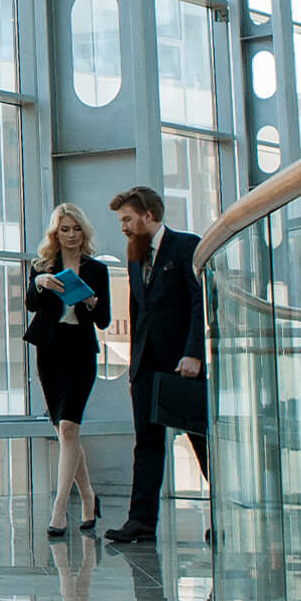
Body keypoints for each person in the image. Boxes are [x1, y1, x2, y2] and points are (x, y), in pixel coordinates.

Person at [104, 186, 209, 546]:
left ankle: (226, 515)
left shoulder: (186, 246)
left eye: (127, 219)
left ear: (148, 215)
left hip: (183, 365)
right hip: (146, 367)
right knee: (146, 444)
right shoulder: (134, 255)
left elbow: (199, 302)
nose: (123, 227)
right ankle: (141, 521)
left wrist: (194, 353)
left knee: (201, 442)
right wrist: (134, 368)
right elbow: (137, 312)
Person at [24, 202, 111, 537]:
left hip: (80, 351)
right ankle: (88, 497)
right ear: (55, 234)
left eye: (76, 229)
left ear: (83, 232)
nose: (72, 235)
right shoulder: (43, 266)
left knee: (70, 427)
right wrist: (39, 283)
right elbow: (31, 304)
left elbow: (103, 320)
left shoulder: (97, 270)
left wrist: (92, 303)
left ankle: (60, 508)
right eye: (65, 230)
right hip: (49, 351)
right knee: (65, 432)